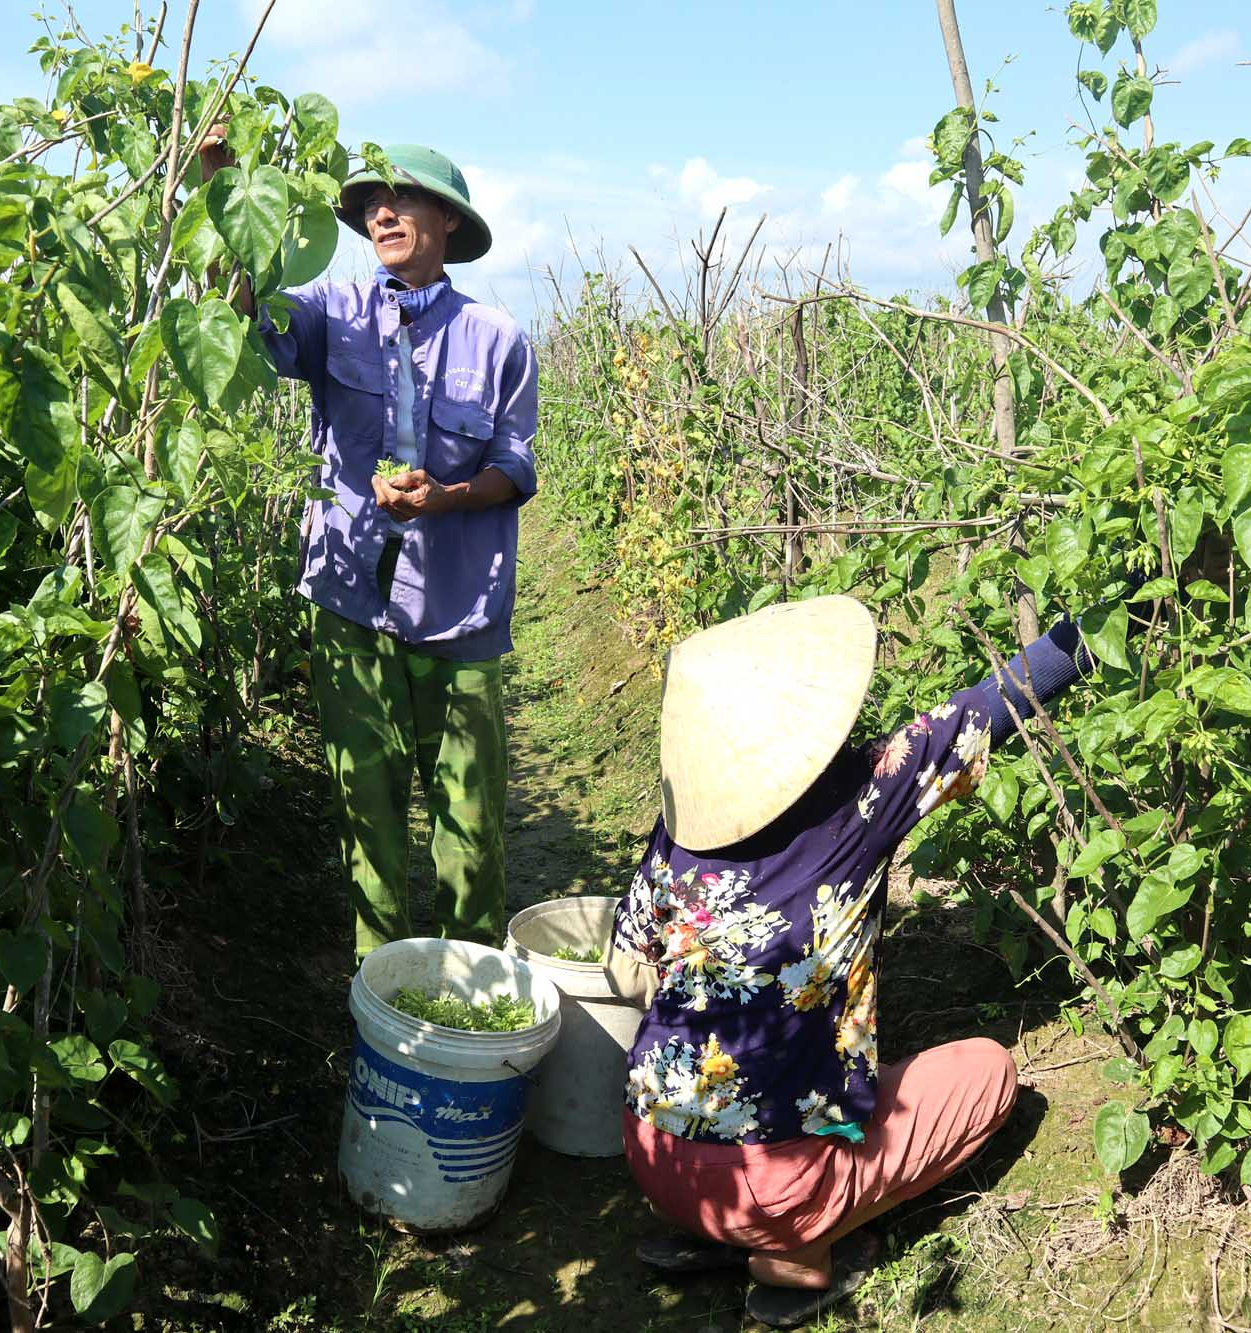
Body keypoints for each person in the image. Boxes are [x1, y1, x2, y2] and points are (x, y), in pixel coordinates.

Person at [603, 594, 1110, 1329]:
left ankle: (713, 1227)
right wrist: (1103, 625)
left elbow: (628, 963)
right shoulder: (860, 800)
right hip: (774, 1184)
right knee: (988, 1073)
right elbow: (993, 703)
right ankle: (796, 1255)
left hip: (652, 1152)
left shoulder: (680, 831)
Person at [201, 132, 538, 960]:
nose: (381, 213)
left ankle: (475, 1003)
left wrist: (448, 495)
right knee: (369, 816)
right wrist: (220, 187)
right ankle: (382, 999)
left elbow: (513, 465)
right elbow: (241, 303)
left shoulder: (497, 339)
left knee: (469, 825)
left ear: (448, 221)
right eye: (368, 206)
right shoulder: (332, 312)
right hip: (350, 604)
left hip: (459, 612)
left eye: (403, 199)